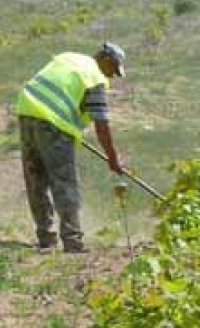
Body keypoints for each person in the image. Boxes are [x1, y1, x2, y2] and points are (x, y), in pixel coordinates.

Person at [16, 42, 126, 253]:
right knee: (64, 181)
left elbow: (58, 90)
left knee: (35, 180)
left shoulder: (69, 57)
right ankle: (73, 241)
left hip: (26, 110)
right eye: (114, 69)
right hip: (53, 122)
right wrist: (113, 158)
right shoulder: (94, 77)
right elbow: (101, 125)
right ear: (106, 60)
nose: (112, 76)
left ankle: (46, 239)